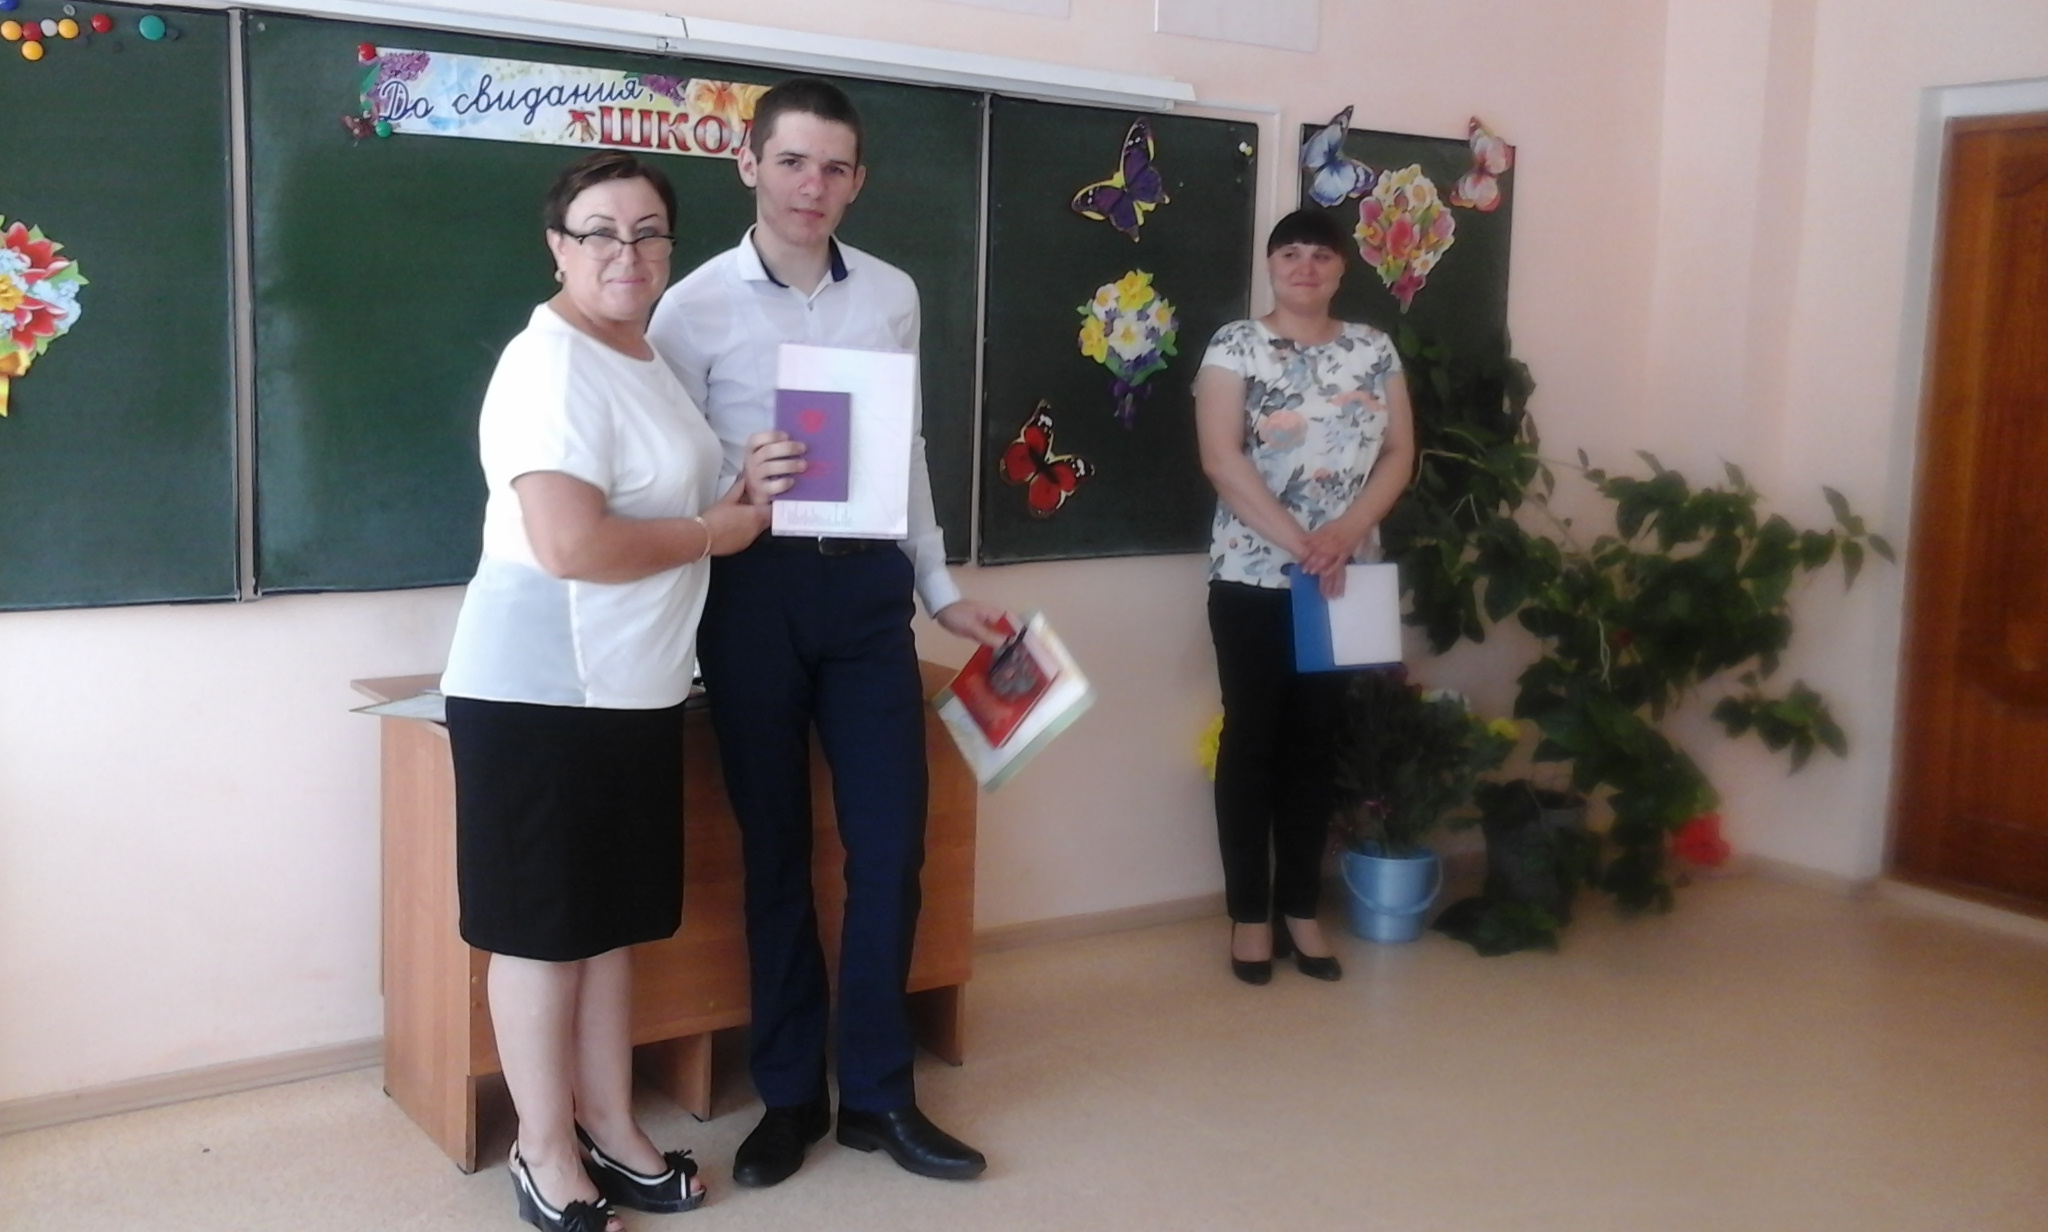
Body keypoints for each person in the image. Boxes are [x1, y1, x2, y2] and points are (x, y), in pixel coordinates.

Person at [648, 78, 1006, 1188]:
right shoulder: (688, 307)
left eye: (834, 167)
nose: (812, 185)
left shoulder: (891, 294)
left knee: (890, 846)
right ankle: (791, 1095)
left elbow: (906, 452)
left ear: (857, 180)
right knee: (774, 852)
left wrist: (938, 587)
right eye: (792, 161)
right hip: (751, 591)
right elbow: (662, 472)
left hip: (865, 598)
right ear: (748, 165)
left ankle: (882, 1096)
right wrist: (734, 482)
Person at [439, 151, 769, 1232]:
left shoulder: (643, 354)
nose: (626, 252)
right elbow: (570, 543)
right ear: (558, 247)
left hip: (633, 689)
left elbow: (659, 506)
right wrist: (715, 530)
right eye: (599, 232)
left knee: (610, 924)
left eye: (647, 232)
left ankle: (612, 1126)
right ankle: (543, 1154)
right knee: (544, 931)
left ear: (668, 246)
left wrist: (738, 496)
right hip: (543, 692)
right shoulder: (550, 365)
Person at [1194, 207, 1416, 986]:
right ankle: (1249, 915)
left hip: (1342, 581)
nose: (1305, 268)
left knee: (1316, 745)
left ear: (1342, 268)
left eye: (1321, 255)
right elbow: (1221, 458)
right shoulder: (1235, 345)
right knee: (1252, 740)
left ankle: (1299, 908)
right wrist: (1304, 544)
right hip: (1252, 577)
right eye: (1290, 254)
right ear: (1271, 265)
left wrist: (1345, 533)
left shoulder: (1374, 349)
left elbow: (1400, 452)